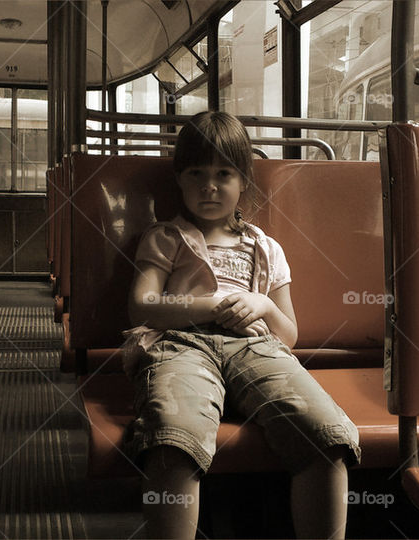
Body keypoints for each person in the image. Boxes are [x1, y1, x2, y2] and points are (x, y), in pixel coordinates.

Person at [122, 111, 361, 539]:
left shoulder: (266, 247)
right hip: (182, 345)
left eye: (223, 174)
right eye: (196, 173)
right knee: (174, 437)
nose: (209, 186)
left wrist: (263, 305)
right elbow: (143, 305)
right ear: (179, 179)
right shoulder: (165, 237)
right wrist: (211, 306)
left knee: (325, 435)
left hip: (257, 348)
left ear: (243, 181)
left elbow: (288, 335)